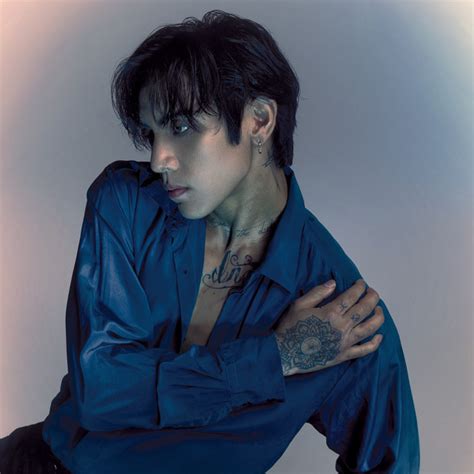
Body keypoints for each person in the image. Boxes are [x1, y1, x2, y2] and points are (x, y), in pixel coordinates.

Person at [0, 9, 420, 473]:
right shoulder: (126, 203)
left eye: (181, 127)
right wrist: (274, 359)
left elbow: (391, 463)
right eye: (152, 133)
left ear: (259, 120)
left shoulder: (339, 312)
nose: (159, 158)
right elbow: (100, 392)